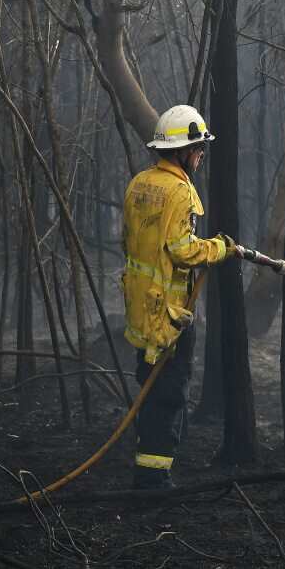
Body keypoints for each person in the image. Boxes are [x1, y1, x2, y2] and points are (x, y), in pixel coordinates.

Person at [122, 105, 235, 489]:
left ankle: (147, 469)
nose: (201, 155)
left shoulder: (140, 183)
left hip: (141, 309)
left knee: (150, 388)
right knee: (168, 394)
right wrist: (218, 249)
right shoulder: (181, 192)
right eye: (199, 148)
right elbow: (182, 249)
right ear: (184, 150)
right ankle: (153, 481)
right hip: (170, 316)